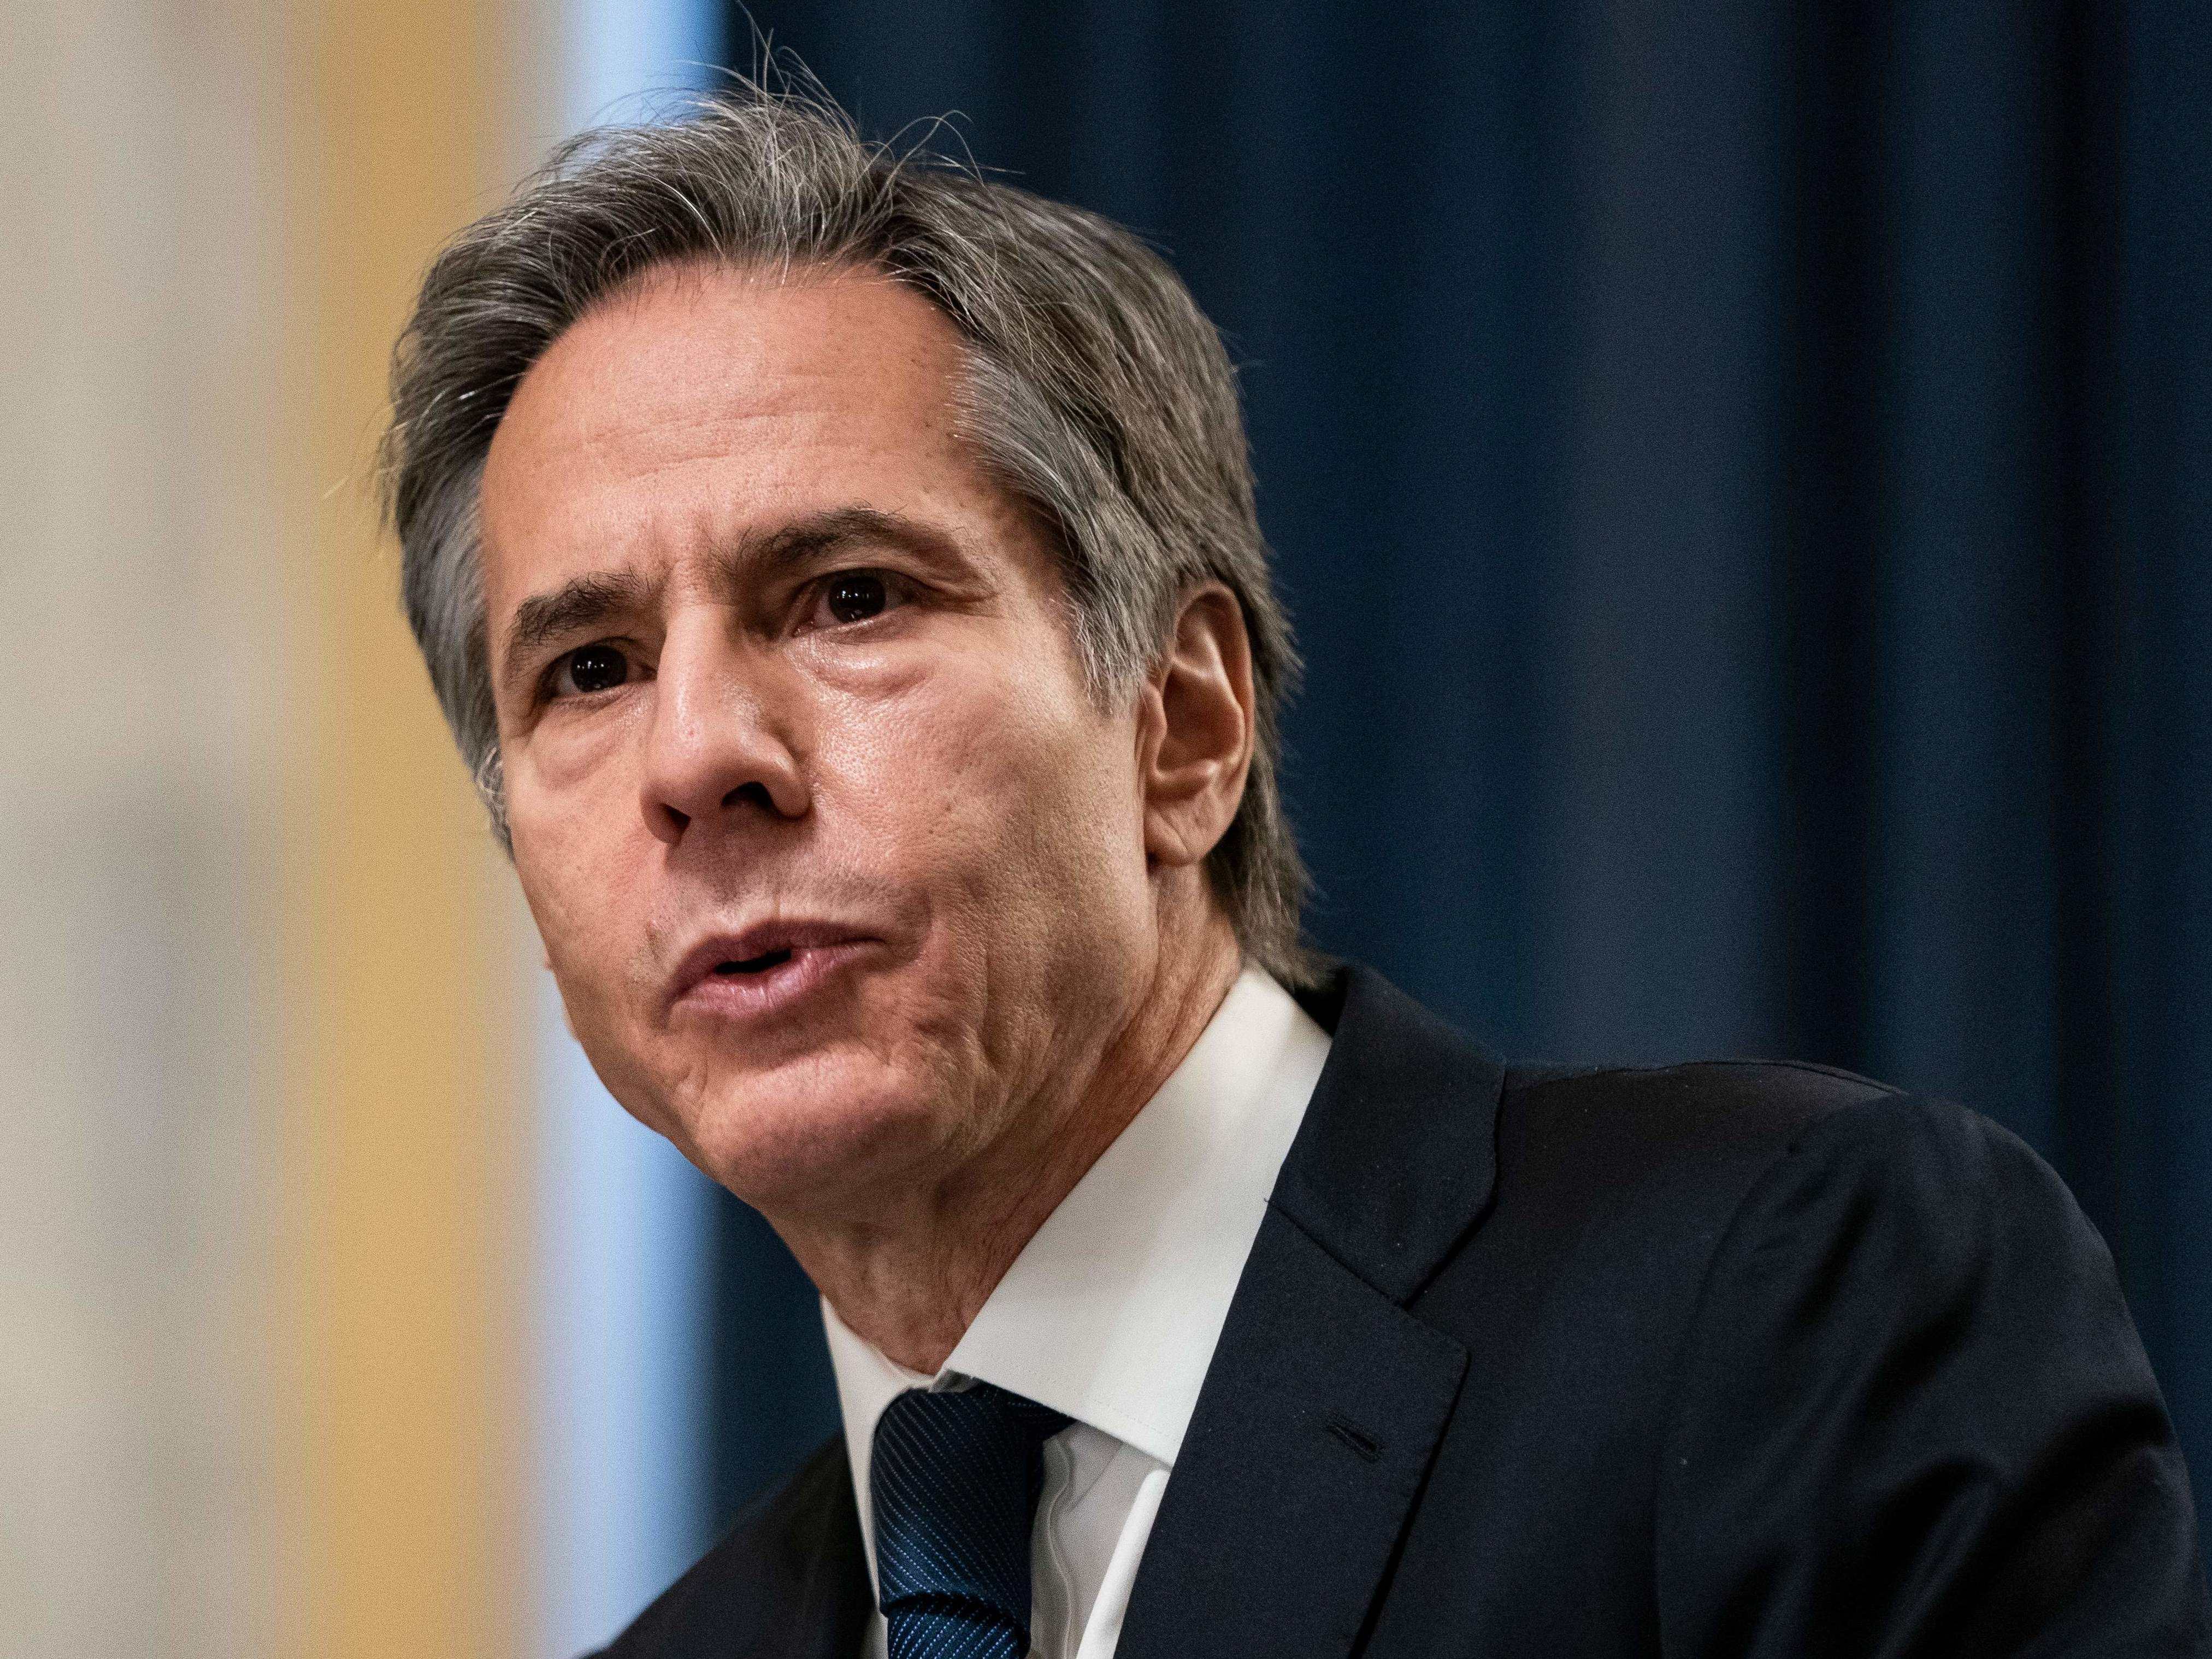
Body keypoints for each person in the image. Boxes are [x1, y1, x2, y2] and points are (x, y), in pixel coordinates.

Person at [380, 81, 2210, 1659]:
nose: (700, 757)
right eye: (589, 669)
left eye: (849, 597)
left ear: (1182, 725)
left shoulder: (1785, 1314)